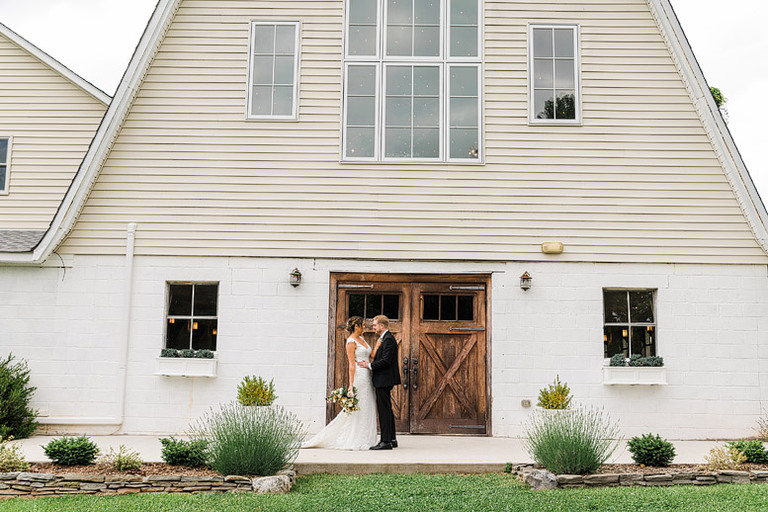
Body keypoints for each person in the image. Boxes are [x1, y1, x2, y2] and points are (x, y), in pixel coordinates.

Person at [302, 316, 378, 450]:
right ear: (356, 327)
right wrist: (351, 385)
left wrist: (377, 345)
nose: (365, 327)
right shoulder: (351, 342)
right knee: (359, 406)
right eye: (363, 325)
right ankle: (356, 438)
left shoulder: (363, 339)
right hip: (359, 376)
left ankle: (367, 437)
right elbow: (351, 365)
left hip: (367, 375)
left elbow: (371, 356)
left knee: (368, 405)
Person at [357, 314, 400, 450]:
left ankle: (385, 441)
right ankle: (392, 438)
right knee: (386, 409)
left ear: (382, 326)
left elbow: (386, 361)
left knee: (383, 410)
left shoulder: (388, 339)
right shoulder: (384, 338)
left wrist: (369, 365)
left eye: (375, 325)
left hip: (384, 379)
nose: (373, 328)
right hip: (384, 379)